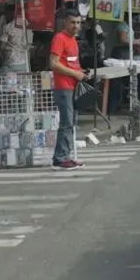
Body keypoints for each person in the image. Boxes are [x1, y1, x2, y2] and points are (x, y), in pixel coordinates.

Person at [49, 9, 88, 170]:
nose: (76, 26)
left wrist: (81, 73)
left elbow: (71, 63)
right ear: (65, 22)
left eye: (78, 23)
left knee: (71, 122)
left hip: (73, 86)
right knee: (66, 123)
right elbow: (54, 64)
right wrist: (75, 74)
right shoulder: (60, 38)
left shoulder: (73, 40)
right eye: (72, 22)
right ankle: (60, 159)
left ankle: (65, 156)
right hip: (63, 87)